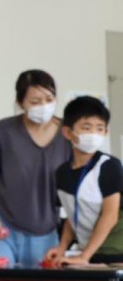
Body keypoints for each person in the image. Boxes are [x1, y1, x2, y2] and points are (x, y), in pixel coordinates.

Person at [0, 69, 72, 268]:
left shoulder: (68, 134)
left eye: (49, 98)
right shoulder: (2, 131)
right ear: (21, 103)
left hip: (46, 232)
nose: (43, 106)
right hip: (1, 226)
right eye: (35, 102)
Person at [46, 96, 123, 265]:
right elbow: (72, 217)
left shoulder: (109, 166)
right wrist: (62, 247)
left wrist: (83, 257)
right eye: (86, 127)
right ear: (67, 132)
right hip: (88, 252)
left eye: (100, 128)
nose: (94, 134)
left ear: (105, 132)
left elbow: (110, 216)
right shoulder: (62, 173)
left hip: (116, 253)